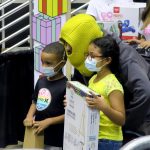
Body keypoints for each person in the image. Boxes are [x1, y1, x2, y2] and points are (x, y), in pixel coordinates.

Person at [60, 14, 150, 145]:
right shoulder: (93, 53)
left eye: (69, 46)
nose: (67, 50)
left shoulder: (124, 60)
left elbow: (145, 92)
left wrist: (123, 125)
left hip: (138, 117)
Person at [23, 42, 67, 150]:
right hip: (38, 135)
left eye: (48, 63)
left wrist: (49, 121)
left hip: (56, 140)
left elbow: (69, 115)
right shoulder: (41, 81)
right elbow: (35, 101)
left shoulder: (67, 86)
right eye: (42, 62)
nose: (44, 66)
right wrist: (29, 116)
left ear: (61, 64)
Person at [85, 36, 125, 150]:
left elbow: (121, 119)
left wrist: (104, 107)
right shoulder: (93, 79)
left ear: (107, 60)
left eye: (92, 56)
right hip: (93, 136)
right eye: (87, 55)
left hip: (108, 140)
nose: (88, 59)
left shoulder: (112, 84)